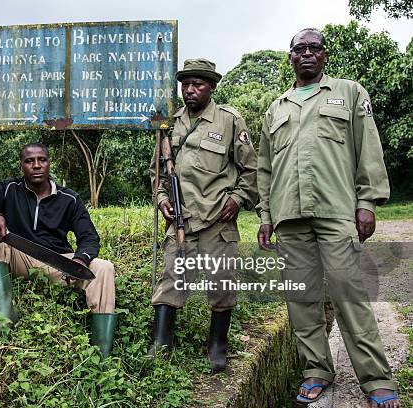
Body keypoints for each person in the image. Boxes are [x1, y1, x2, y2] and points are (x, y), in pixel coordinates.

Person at [256, 28, 399, 407]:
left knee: (348, 294)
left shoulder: (349, 93)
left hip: (336, 211)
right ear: (290, 57)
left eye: (313, 48)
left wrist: (366, 201)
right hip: (289, 216)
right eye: (299, 49)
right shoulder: (277, 107)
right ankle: (316, 370)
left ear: (324, 55)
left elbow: (369, 148)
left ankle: (376, 379)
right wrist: (266, 215)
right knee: (301, 300)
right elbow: (264, 168)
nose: (306, 54)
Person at [149, 59, 258, 372]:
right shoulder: (169, 124)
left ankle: (217, 346)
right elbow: (156, 172)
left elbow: (251, 169)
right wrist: (160, 199)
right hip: (180, 219)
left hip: (217, 220)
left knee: (222, 284)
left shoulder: (229, 120)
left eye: (198, 84)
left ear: (212, 87)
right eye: (185, 84)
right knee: (171, 278)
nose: (190, 90)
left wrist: (238, 198)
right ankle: (162, 343)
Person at [0, 143, 117, 357]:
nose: (36, 166)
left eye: (41, 160)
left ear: (48, 163)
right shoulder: (8, 189)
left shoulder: (69, 198)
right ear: (21, 166)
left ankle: (102, 354)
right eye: (29, 161)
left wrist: (80, 260)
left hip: (58, 263)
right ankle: (5, 311)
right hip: (17, 257)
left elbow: (89, 237)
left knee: (104, 267)